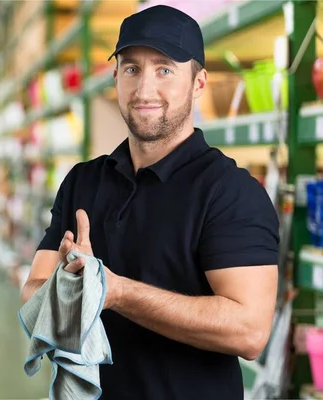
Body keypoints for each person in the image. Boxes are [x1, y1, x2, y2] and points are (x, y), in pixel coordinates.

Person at [20, 5, 279, 400]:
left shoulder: (229, 191)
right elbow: (32, 292)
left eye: (164, 69)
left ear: (198, 83)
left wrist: (116, 292)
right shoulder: (82, 182)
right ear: (116, 78)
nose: (144, 90)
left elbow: (249, 331)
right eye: (131, 69)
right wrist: (69, 286)